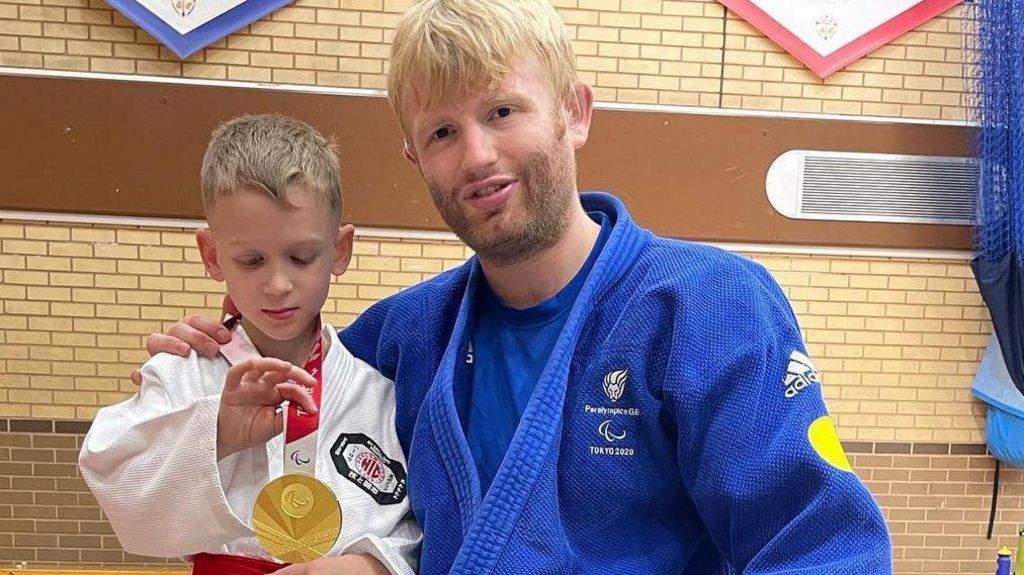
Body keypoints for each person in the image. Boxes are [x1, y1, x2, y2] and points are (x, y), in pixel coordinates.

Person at [139, 1, 893, 573]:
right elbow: (305, 394)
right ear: (414, 158)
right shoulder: (400, 337)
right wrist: (217, 351)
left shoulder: (710, 308)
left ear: (575, 112)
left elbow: (823, 549)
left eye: (502, 111)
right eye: (441, 132)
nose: (477, 156)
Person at [80, 114, 420, 575]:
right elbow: (112, 475)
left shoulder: (375, 392)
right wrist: (215, 431)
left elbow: (409, 528)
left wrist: (372, 566)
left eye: (302, 257)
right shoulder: (186, 371)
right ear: (212, 255)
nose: (278, 284)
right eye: (251, 260)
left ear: (340, 251)